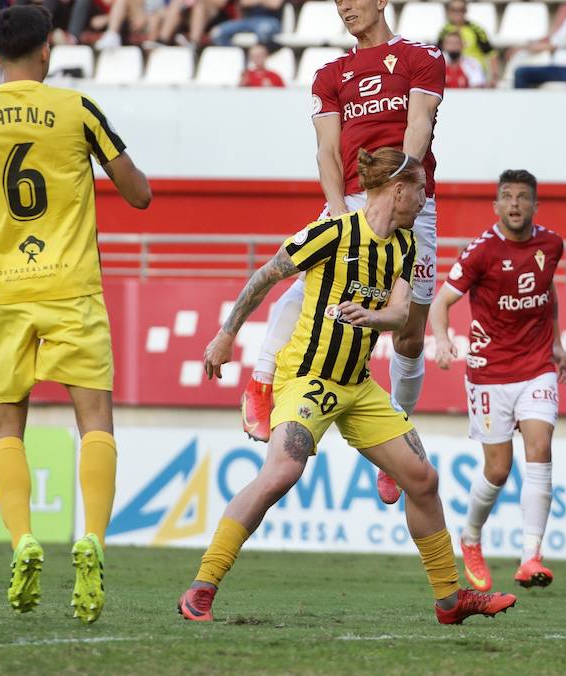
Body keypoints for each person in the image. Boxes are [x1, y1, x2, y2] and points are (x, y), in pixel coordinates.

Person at [177, 147, 515, 626]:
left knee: (423, 480)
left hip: (358, 386)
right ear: (398, 189)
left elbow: (401, 314)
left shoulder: (404, 246)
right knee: (281, 474)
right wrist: (226, 335)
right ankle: (201, 588)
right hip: (308, 378)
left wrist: (373, 316)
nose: (424, 199)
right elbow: (266, 275)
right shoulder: (333, 233)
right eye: (420, 190)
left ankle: (449, 600)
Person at [0, 5, 151, 623]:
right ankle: (93, 539)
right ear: (46, 51)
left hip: (2, 292)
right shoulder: (77, 109)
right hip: (71, 285)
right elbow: (140, 194)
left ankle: (22, 539)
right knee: (94, 420)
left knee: (4, 428)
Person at [245, 0, 445, 510]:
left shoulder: (421, 58)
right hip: (353, 201)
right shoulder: (330, 73)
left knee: (408, 336)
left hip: (412, 204)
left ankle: (396, 433)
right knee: (304, 284)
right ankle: (262, 381)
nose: (345, 6)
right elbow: (326, 153)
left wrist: (403, 188)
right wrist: (339, 218)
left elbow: (419, 127)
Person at [430, 169, 566, 590]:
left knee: (540, 448)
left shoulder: (552, 244)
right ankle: (471, 537)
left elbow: (547, 293)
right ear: (496, 206)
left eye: (522, 197)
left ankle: (531, 557)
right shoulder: (481, 253)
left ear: (534, 205)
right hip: (489, 372)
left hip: (536, 367)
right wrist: (440, 339)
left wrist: (557, 344)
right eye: (507, 196)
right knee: (498, 468)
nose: (514, 204)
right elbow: (442, 302)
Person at [439, 0, 496, 79]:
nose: (458, 13)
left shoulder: (477, 30)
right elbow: (437, 54)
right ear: (448, 11)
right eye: (454, 10)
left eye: (461, 10)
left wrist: (494, 77)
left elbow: (491, 54)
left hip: (475, 75)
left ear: (466, 11)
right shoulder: (444, 31)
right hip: (449, 74)